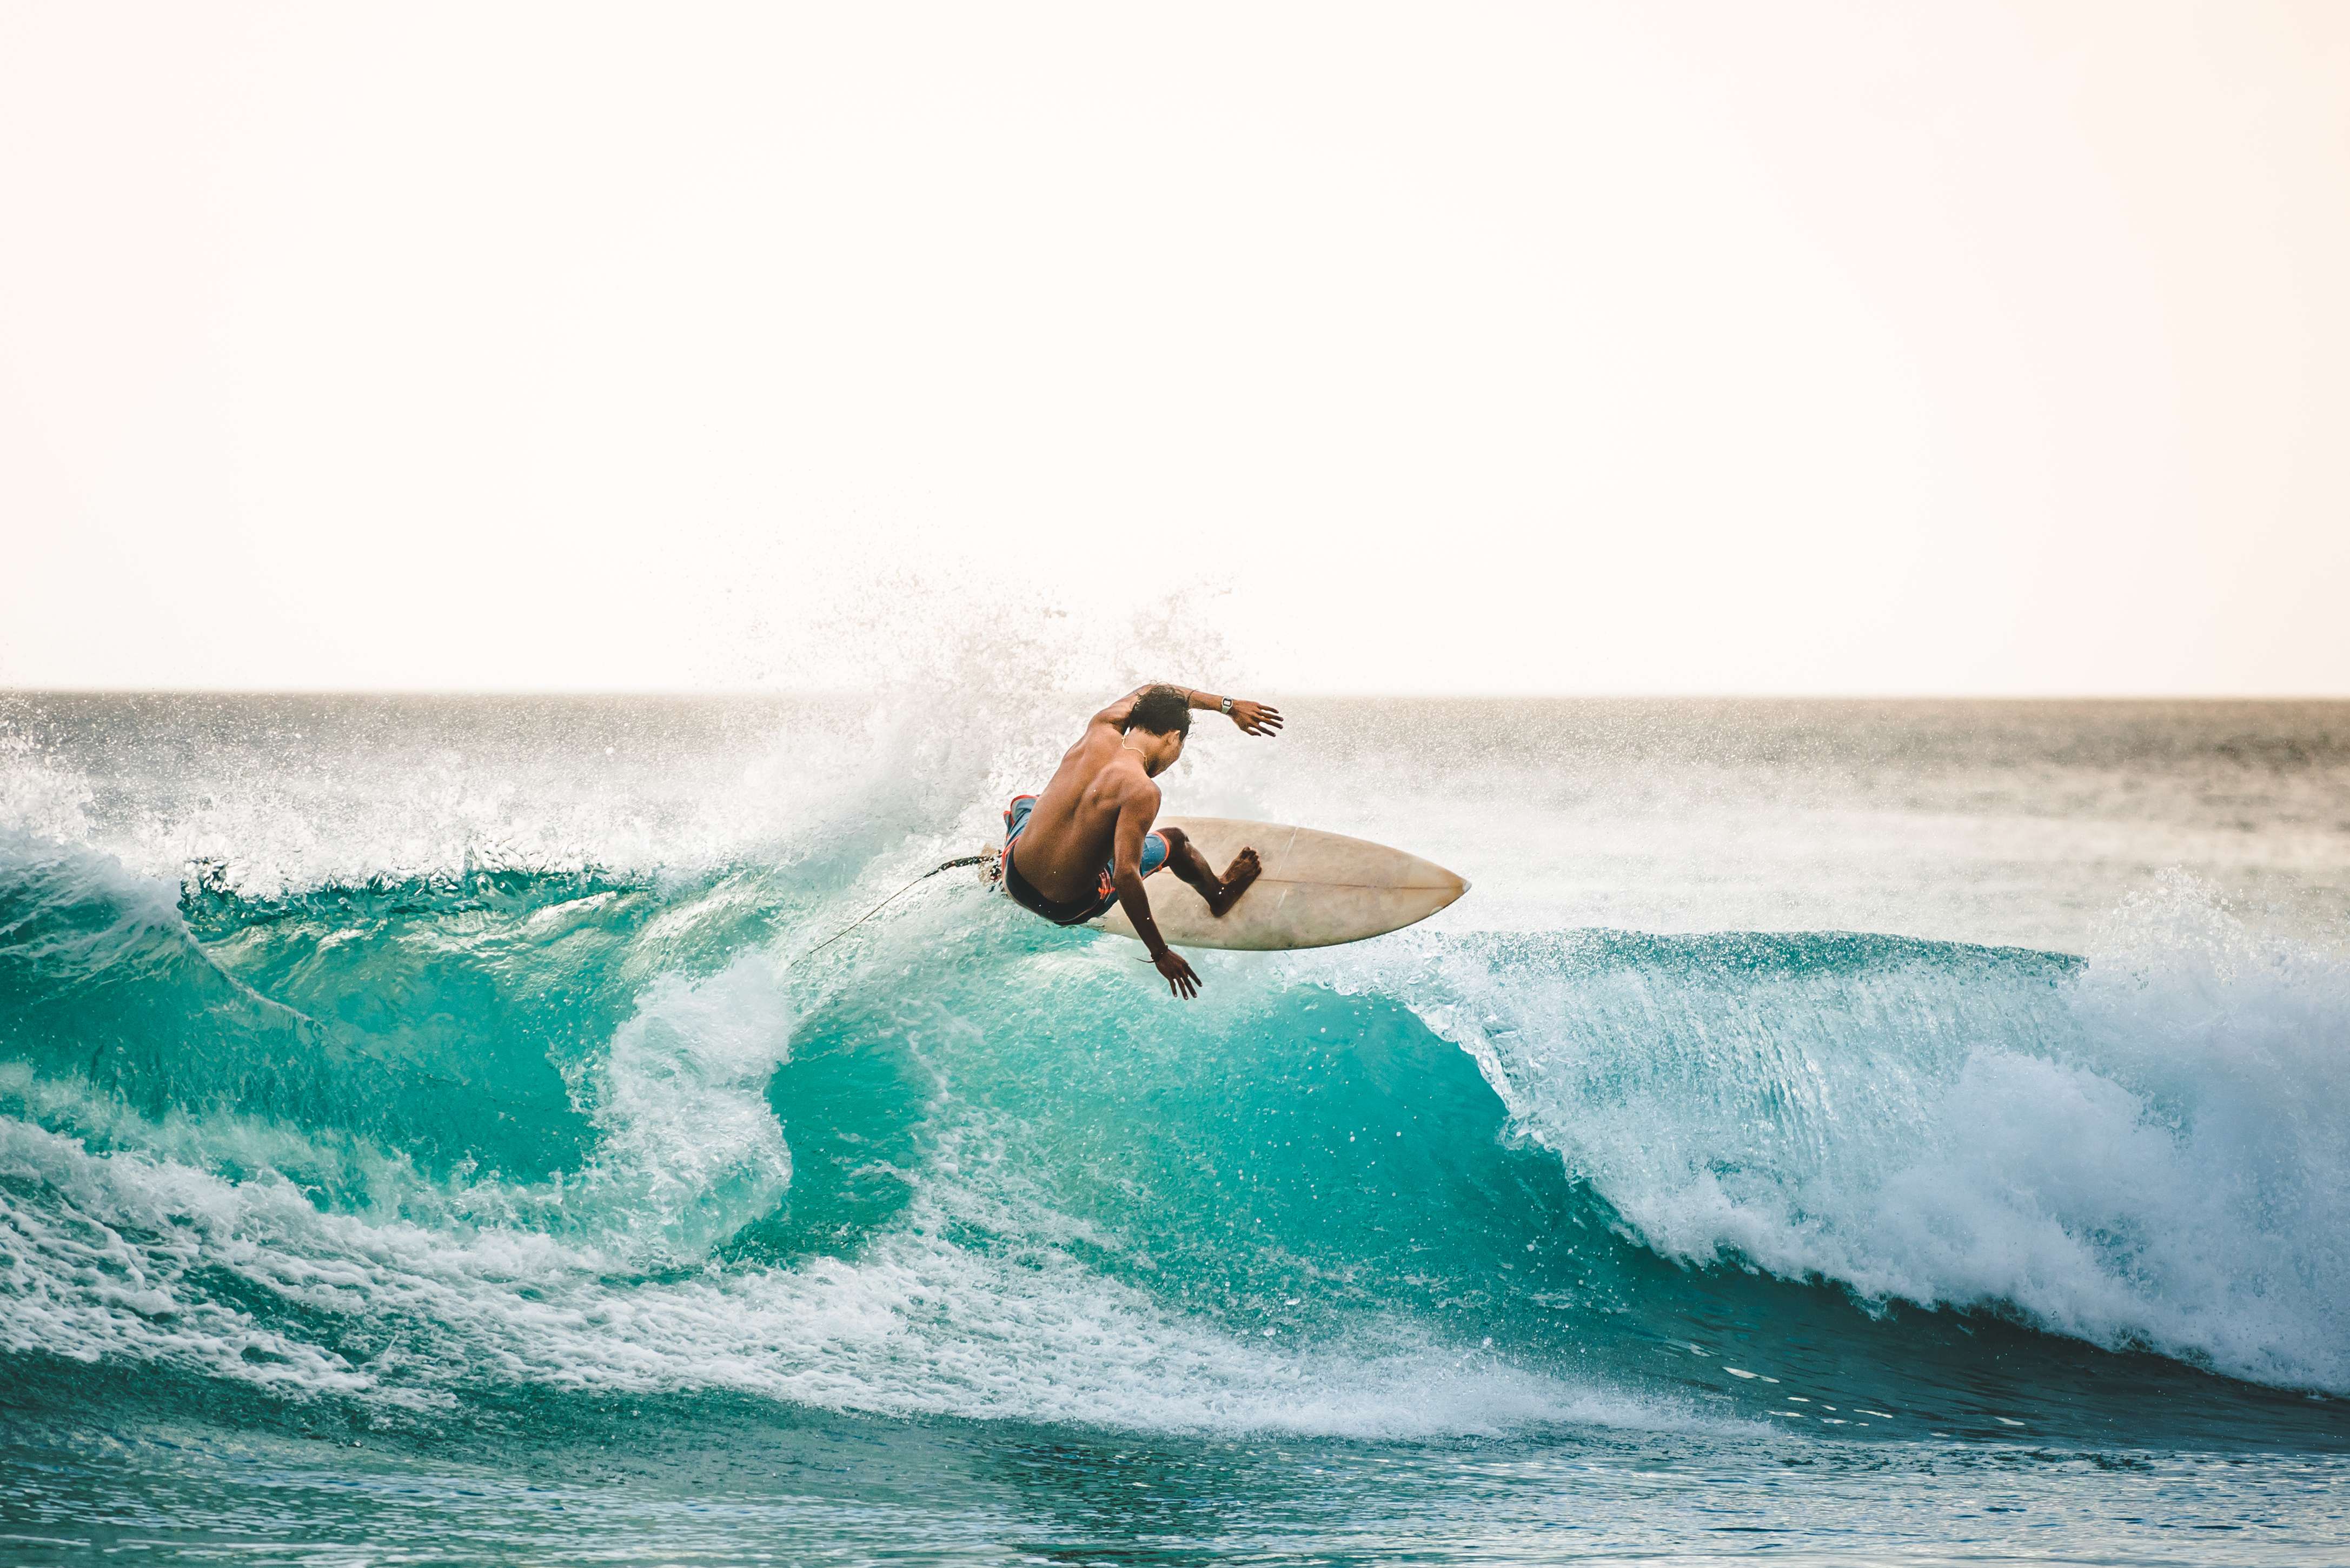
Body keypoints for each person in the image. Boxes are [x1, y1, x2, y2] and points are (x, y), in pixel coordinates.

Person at [1000, 683, 1283, 998]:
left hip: (1014, 875)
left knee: (1026, 803)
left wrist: (1228, 706)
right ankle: (1220, 893)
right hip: (1065, 906)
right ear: (1174, 738)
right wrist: (1160, 953)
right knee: (1174, 840)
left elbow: (1153, 688)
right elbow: (1125, 875)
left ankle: (997, 874)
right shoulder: (1141, 791)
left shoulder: (1102, 726)